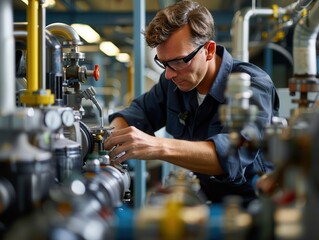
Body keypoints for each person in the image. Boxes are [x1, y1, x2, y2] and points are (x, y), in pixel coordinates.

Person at [104, 0, 279, 206]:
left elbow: (231, 156)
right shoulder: (175, 81)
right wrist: (108, 139)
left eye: (178, 61)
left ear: (209, 50)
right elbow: (138, 114)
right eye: (164, 63)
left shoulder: (253, 85)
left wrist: (158, 146)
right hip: (207, 202)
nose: (168, 74)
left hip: (254, 206)